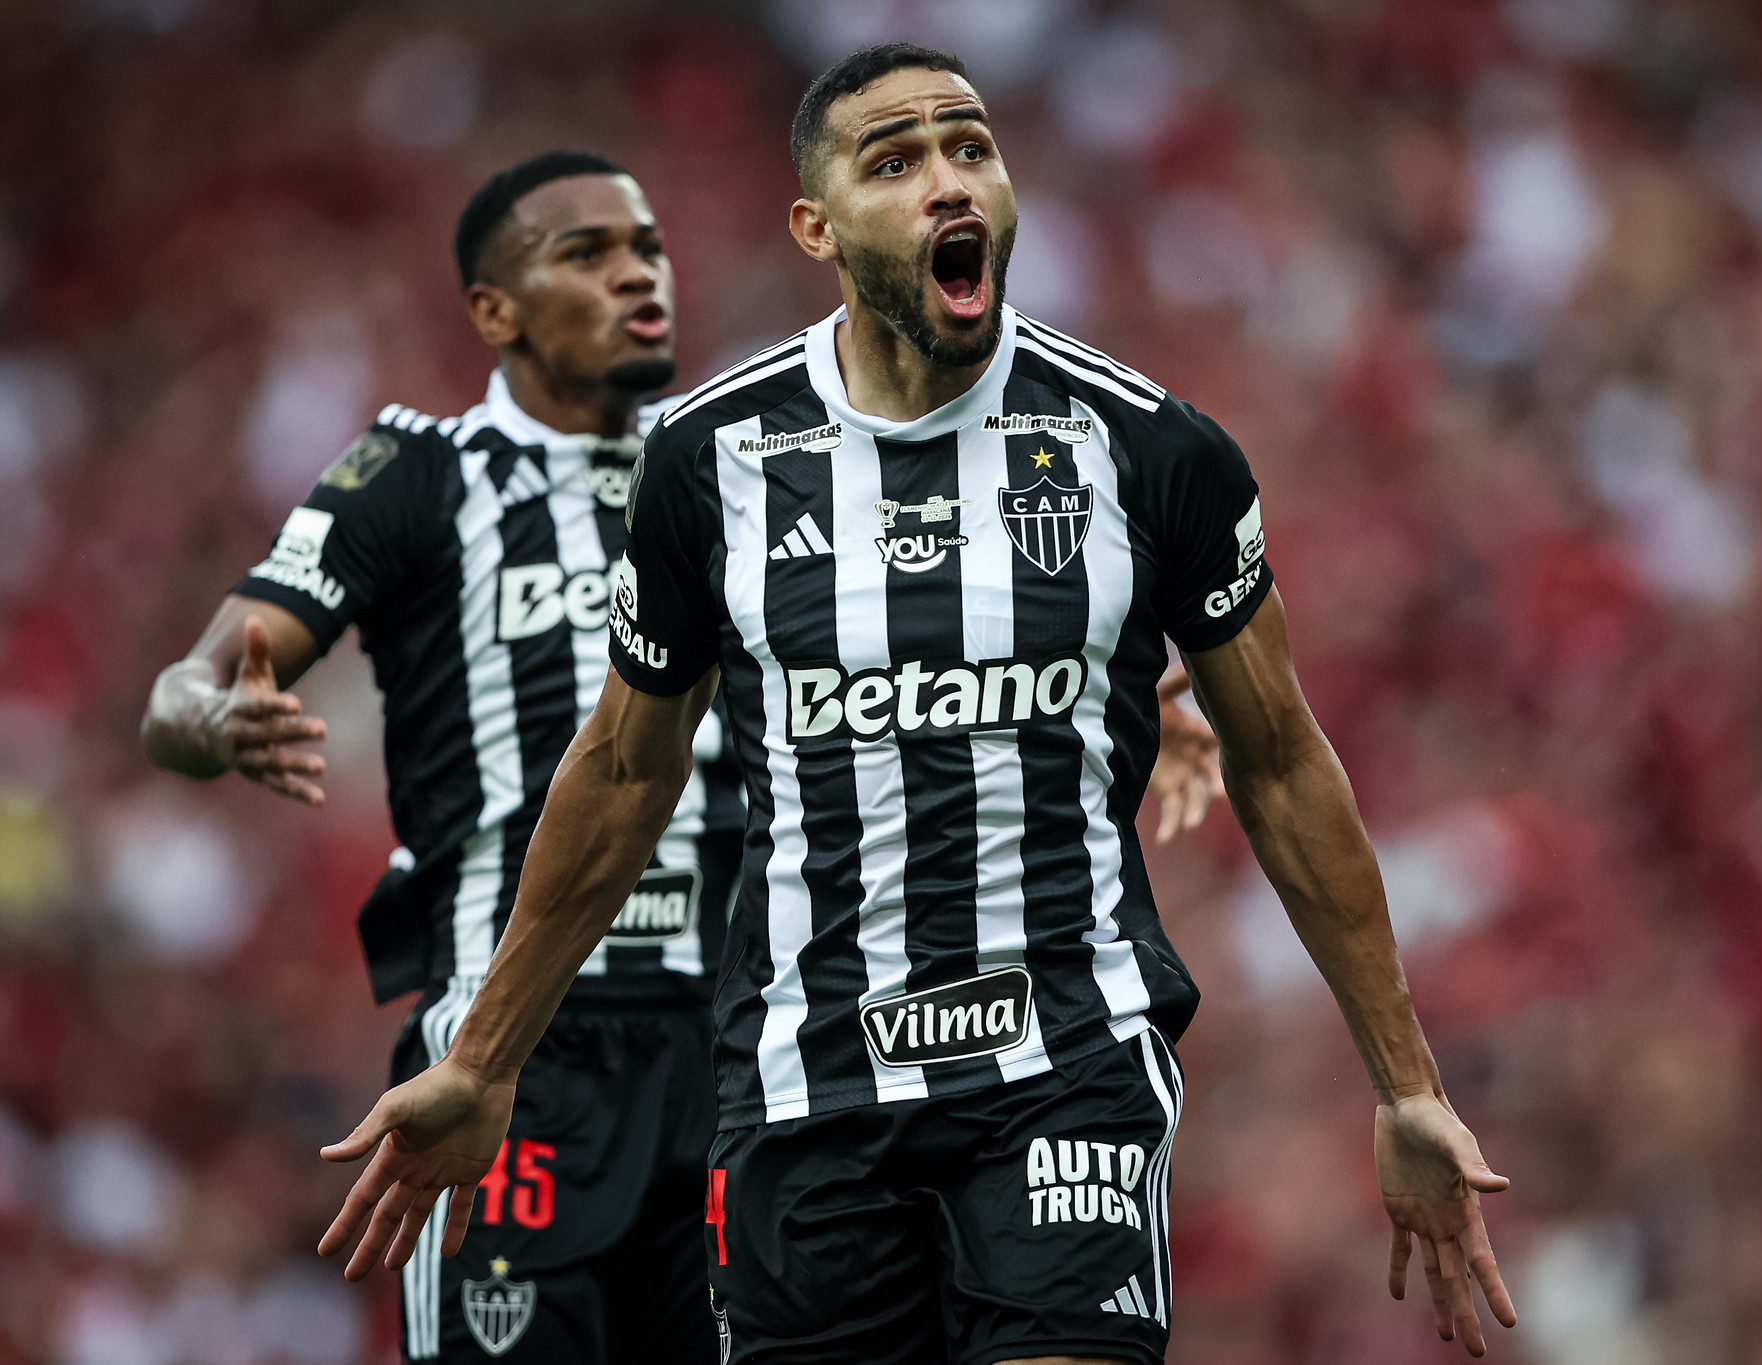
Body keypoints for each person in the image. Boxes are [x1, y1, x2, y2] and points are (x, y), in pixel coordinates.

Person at [314, 45, 1514, 1365]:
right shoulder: (708, 463)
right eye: (896, 161)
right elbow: (619, 778)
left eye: (971, 147)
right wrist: (487, 1061)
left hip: (1066, 1059)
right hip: (803, 1088)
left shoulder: (1153, 449)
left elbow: (1283, 763)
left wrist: (1407, 1085)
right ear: (817, 228)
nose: (949, 180)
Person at [141, 151, 733, 1364]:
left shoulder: (740, 468)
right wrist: (210, 720)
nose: (636, 273)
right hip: (507, 1053)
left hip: (739, 1047)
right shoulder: (419, 474)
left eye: (646, 247)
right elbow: (185, 690)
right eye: (586, 252)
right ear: (492, 310)